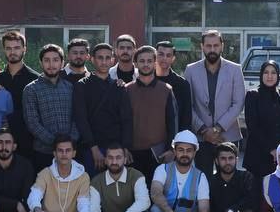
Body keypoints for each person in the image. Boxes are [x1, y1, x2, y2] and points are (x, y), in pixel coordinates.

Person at [184, 29, 246, 173]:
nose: (212, 49)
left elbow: (238, 103)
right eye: (208, 46)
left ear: (222, 46)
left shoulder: (235, 70)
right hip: (201, 137)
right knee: (203, 179)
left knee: (227, 178)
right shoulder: (191, 70)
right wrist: (204, 130)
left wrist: (217, 129)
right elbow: (187, 105)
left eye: (216, 45)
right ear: (202, 46)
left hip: (227, 135)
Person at [243, 60, 280, 212]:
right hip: (259, 155)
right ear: (261, 75)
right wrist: (271, 149)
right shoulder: (253, 95)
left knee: (276, 196)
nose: (269, 76)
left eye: (273, 72)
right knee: (258, 197)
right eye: (266, 72)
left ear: (279, 76)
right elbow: (252, 126)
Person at [120, 46, 177, 179]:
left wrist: (171, 149)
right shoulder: (127, 90)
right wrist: (124, 148)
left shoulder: (166, 89)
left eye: (149, 61)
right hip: (132, 154)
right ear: (135, 63)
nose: (146, 64)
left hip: (159, 153)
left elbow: (172, 122)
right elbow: (122, 121)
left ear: (155, 63)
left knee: (157, 189)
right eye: (142, 61)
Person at [22, 44, 78, 171]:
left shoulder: (70, 87)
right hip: (43, 153)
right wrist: (56, 143)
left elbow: (77, 117)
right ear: (41, 63)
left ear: (62, 63)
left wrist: (69, 142)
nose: (51, 64)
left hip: (70, 152)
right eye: (47, 60)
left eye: (55, 60)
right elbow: (32, 123)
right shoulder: (31, 89)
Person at [72, 42, 124, 175]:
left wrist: (124, 147)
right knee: (93, 184)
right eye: (100, 58)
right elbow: (81, 119)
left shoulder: (119, 86)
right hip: (91, 147)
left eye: (108, 58)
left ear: (113, 60)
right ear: (92, 59)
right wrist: (93, 148)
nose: (104, 62)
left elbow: (126, 119)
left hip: (116, 148)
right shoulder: (82, 85)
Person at [0, 30, 39, 159]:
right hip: (1, 141)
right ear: (4, 50)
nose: (12, 52)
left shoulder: (35, 79)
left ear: (24, 49)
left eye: (17, 48)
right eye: (8, 48)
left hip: (28, 142)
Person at [154, 40, 193, 132]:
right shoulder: (147, 80)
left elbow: (186, 117)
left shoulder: (182, 84)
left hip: (174, 135)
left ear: (173, 58)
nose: (164, 58)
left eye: (168, 55)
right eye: (161, 54)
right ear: (155, 56)